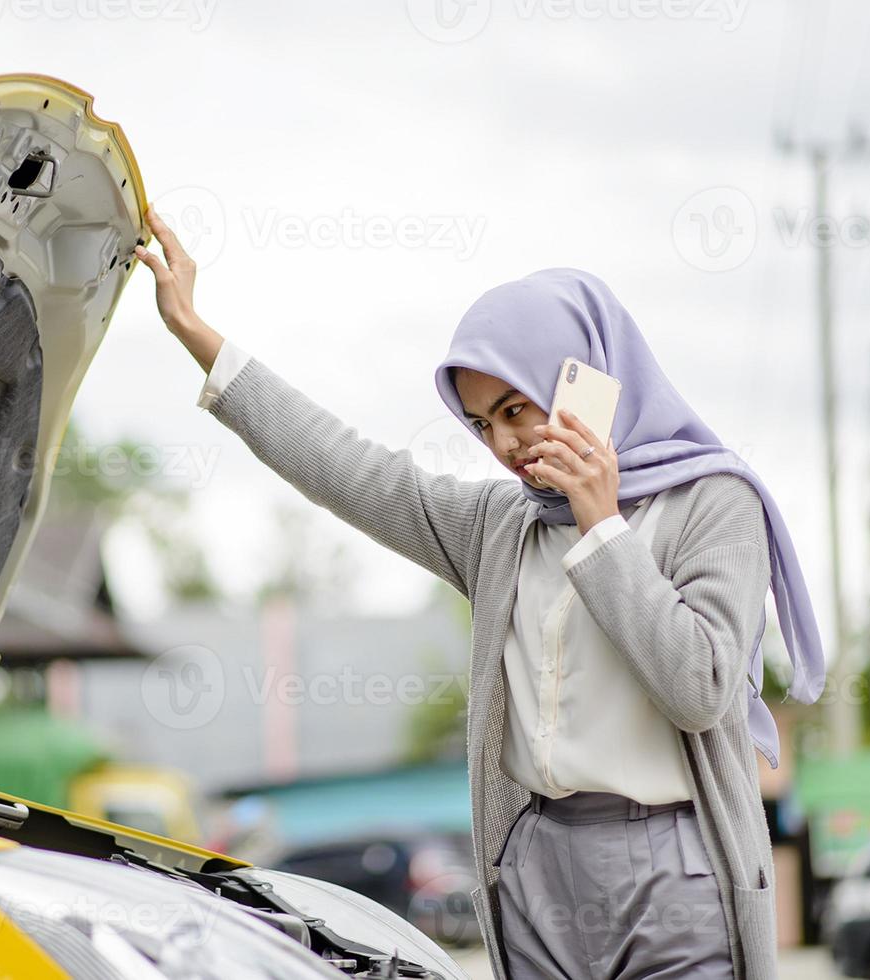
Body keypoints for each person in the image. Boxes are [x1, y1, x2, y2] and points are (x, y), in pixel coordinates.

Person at [134, 203, 825, 980]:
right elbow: (351, 469)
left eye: (515, 409)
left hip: (675, 869)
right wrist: (196, 333)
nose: (503, 445)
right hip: (539, 869)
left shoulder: (713, 503)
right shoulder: (502, 526)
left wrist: (602, 529)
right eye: (481, 423)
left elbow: (700, 688)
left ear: (586, 378)